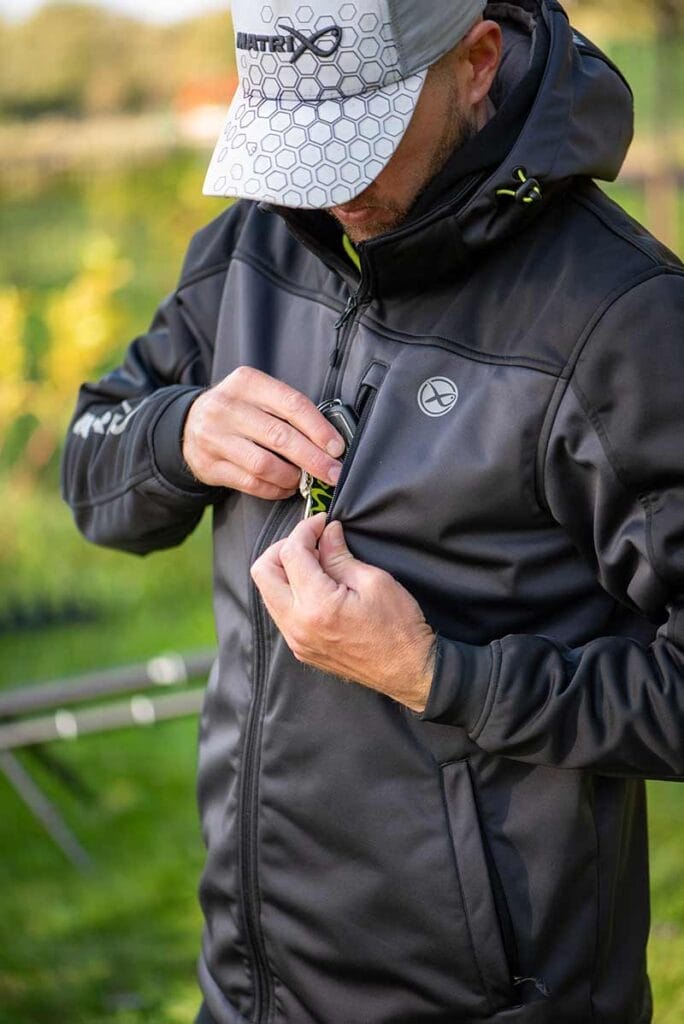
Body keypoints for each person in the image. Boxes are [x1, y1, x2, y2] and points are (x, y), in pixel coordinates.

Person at [60, 0, 684, 1021]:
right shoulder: (252, 245)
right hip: (246, 990)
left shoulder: (623, 319)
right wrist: (177, 434)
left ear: (476, 62)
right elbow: (93, 475)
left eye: (361, 132)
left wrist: (443, 676)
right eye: (298, 140)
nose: (328, 185)